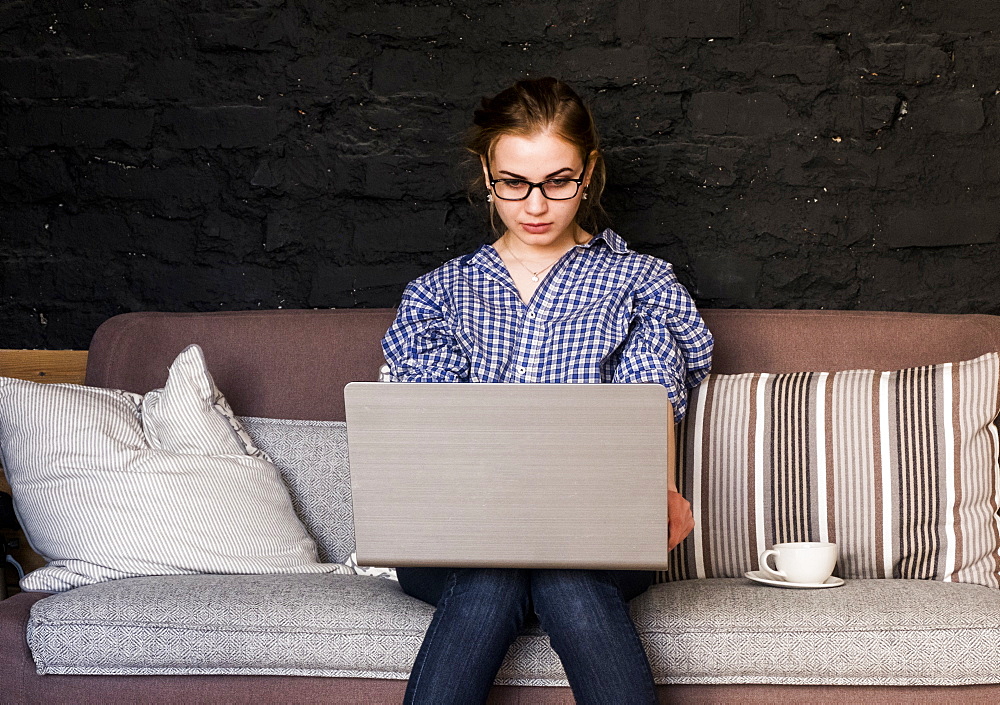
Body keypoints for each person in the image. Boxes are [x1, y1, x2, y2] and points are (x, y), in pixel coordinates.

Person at [381, 76, 713, 705]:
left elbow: (653, 396)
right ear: (486, 170)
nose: (536, 206)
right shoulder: (437, 295)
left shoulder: (641, 284)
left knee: (564, 577)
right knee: (490, 575)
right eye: (514, 183)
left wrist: (661, 488)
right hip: (460, 535)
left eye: (559, 182)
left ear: (589, 172)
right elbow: (432, 429)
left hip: (593, 534)